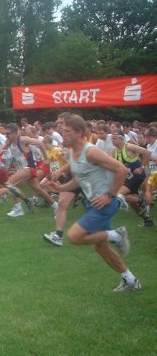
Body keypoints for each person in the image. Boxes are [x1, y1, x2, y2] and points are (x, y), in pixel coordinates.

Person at [47, 114, 141, 292]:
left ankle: (116, 235)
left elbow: (121, 169)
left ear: (80, 132)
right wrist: (60, 189)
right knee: (101, 247)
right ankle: (130, 279)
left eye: (67, 131)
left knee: (74, 236)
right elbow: (79, 180)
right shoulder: (73, 153)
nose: (63, 134)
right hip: (94, 203)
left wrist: (110, 195)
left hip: (104, 203)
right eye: (62, 130)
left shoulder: (90, 151)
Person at [111, 129, 152, 227]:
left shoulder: (129, 147)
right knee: (130, 201)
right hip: (127, 178)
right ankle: (147, 220)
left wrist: (142, 168)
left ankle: (140, 200)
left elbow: (147, 153)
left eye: (114, 138)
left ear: (121, 138)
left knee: (118, 195)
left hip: (137, 175)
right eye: (111, 138)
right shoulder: (113, 151)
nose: (112, 140)